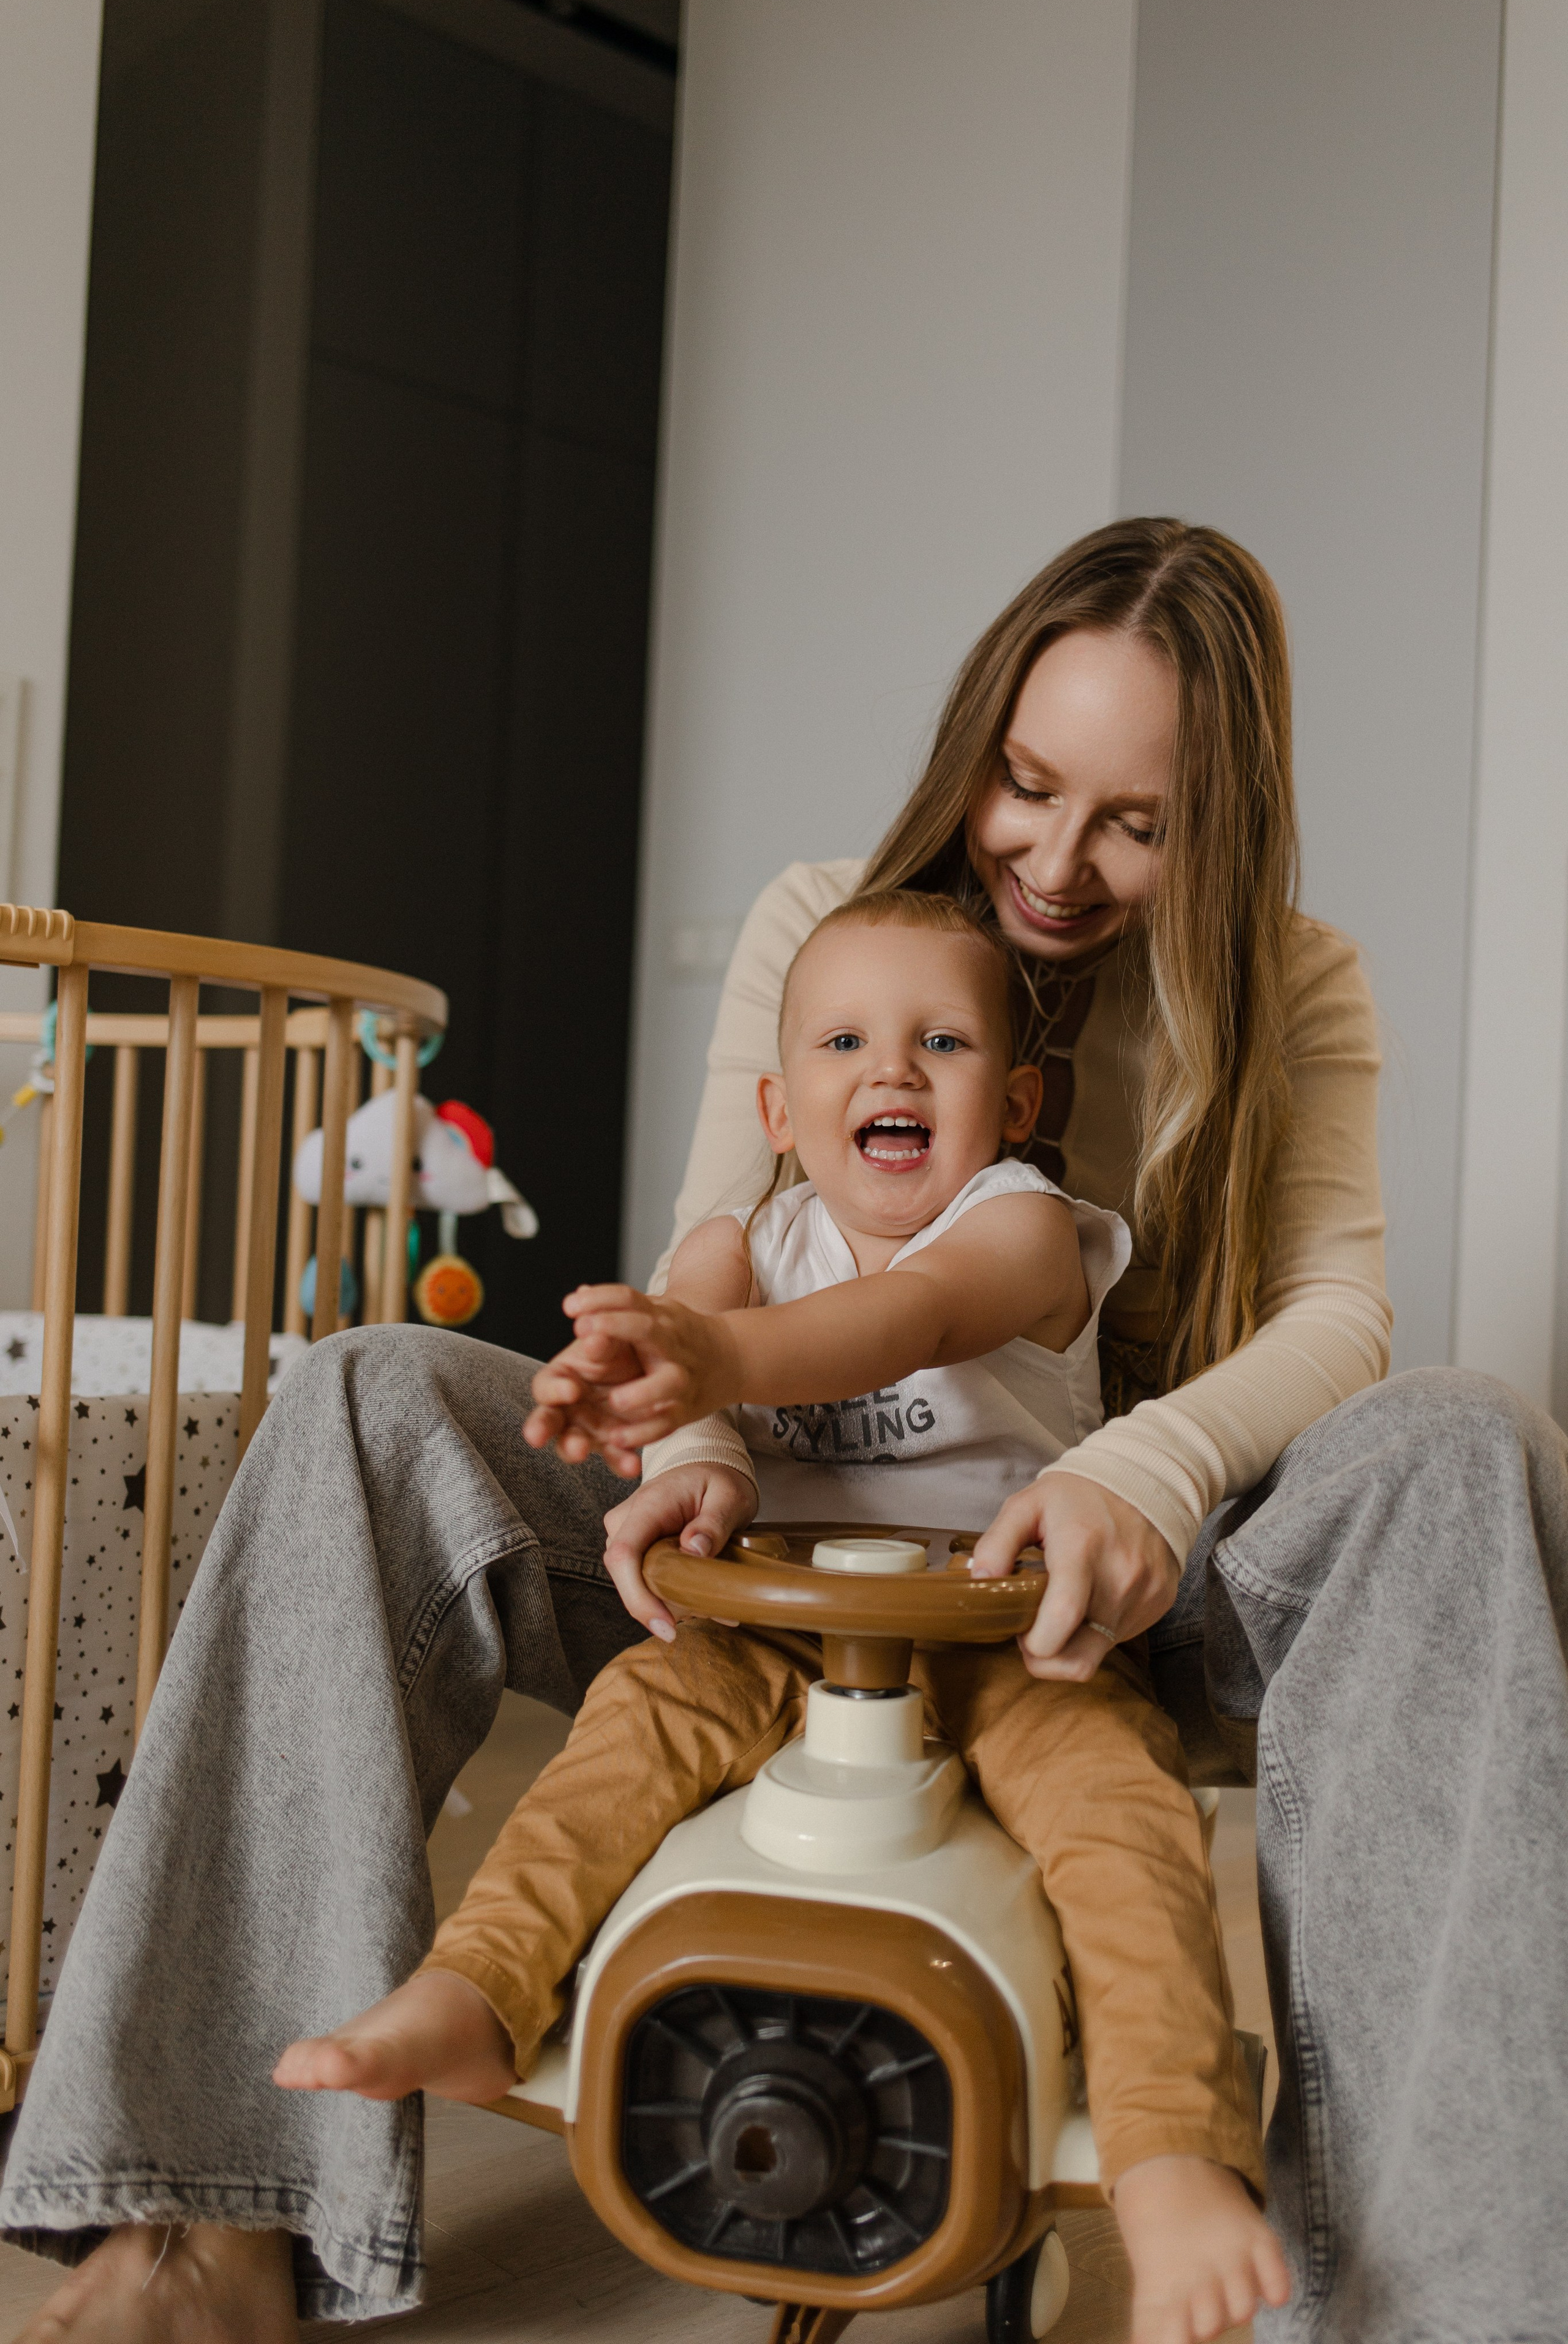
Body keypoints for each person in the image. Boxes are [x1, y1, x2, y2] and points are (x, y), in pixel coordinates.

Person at [6, 518, 1568, 2344]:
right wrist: (691, 1457)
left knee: (1462, 1438)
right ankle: (216, 2209)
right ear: (976, 738)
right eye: (1030, 786)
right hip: (763, 1539)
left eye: (1135, 825)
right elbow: (708, 1266)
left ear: (1221, 826)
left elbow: (1336, 1319)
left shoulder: (1298, 983)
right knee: (369, 1386)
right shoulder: (818, 918)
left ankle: (1439, 2299)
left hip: (1110, 1583)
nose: (1057, 864)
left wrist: (1136, 1472)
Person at [274, 888, 1288, 2344]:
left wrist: (712, 1353)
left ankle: (1172, 2156)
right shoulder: (748, 1239)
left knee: (1122, 1830)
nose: (890, 1070)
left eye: (938, 1042)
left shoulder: (1023, 1230)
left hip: (1009, 1639)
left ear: (1011, 1100)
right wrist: (632, 1365)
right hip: (774, 1629)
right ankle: (474, 1994)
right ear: (777, 1103)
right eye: (842, 1042)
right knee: (621, 1742)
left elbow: (909, 1320)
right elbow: (675, 1307)